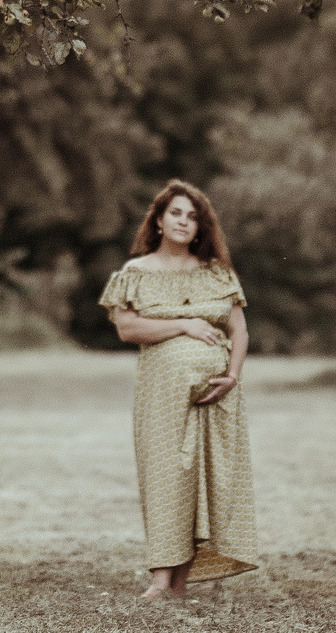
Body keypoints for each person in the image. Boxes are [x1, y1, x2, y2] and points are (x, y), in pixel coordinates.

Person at [99, 179, 258, 596]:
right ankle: (160, 578)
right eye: (176, 213)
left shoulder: (219, 273)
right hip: (162, 395)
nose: (184, 222)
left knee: (208, 481)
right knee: (166, 477)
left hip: (217, 396)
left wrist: (232, 375)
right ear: (158, 219)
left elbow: (239, 332)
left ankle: (181, 582)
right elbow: (128, 328)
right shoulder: (135, 273)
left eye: (193, 217)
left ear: (201, 227)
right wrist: (184, 324)